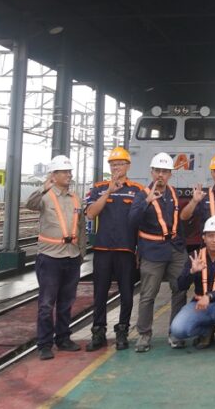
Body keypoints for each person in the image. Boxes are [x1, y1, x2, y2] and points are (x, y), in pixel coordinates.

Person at [83, 146, 144, 352]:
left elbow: (141, 222)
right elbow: (91, 214)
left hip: (126, 251)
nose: (116, 167)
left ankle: (122, 332)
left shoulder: (137, 190)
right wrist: (108, 191)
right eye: (113, 164)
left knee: (126, 294)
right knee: (99, 293)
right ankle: (98, 332)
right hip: (102, 249)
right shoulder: (99, 188)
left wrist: (139, 251)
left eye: (120, 163)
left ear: (128, 165)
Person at [25, 155, 86, 360]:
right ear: (54, 174)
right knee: (46, 303)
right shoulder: (45, 196)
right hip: (50, 257)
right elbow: (29, 205)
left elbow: (81, 228)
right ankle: (44, 344)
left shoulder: (76, 198)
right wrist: (43, 187)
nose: (69, 175)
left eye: (70, 172)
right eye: (64, 172)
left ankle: (63, 338)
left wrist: (82, 253)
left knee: (66, 302)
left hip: (71, 256)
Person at [128, 152, 188, 353]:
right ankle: (144, 334)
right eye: (158, 171)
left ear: (170, 174)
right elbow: (132, 221)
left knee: (180, 289)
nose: (161, 175)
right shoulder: (141, 194)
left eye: (165, 171)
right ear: (151, 172)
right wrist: (146, 202)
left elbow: (177, 223)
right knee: (148, 294)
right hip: (152, 252)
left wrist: (181, 247)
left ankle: (175, 333)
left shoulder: (172, 193)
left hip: (175, 250)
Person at [169, 216, 215, 356]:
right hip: (199, 306)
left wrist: (210, 296)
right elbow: (180, 285)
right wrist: (191, 272)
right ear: (204, 237)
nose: (214, 240)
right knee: (177, 329)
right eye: (210, 236)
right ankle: (206, 331)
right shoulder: (195, 256)